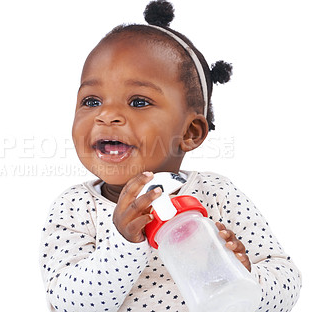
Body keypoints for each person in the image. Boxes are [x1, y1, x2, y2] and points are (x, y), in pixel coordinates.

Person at [40, 1, 301, 311]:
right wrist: (124, 245)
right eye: (92, 100)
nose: (107, 115)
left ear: (190, 133)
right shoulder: (75, 207)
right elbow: (68, 303)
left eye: (138, 102)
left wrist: (246, 279)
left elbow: (287, 281)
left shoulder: (217, 195)